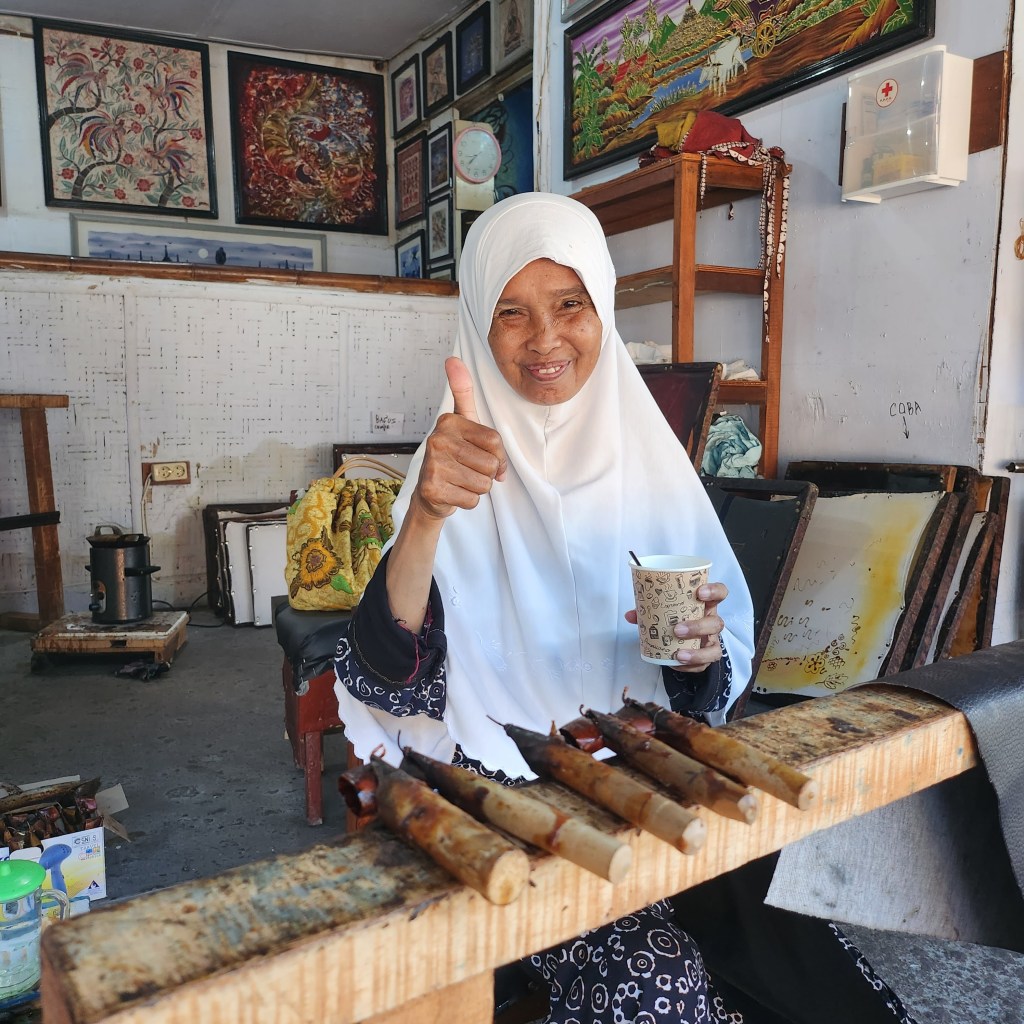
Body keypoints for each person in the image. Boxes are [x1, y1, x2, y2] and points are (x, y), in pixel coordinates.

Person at [334, 192, 916, 1024]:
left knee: (807, 972)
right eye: (511, 313)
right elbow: (387, 678)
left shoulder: (649, 464)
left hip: (653, 776)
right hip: (516, 807)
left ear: (602, 307)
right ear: (477, 323)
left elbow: (708, 674)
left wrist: (697, 655)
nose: (545, 340)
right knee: (658, 985)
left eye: (569, 304)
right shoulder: (453, 467)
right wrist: (425, 517)